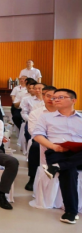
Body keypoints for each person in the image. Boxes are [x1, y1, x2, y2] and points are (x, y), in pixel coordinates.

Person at [32, 89, 82, 223]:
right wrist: (54, 147)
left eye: (61, 97)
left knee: (69, 166)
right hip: (58, 151)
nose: (56, 100)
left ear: (73, 100)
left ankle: (57, 167)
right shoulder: (46, 117)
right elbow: (37, 135)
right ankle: (71, 212)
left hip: (79, 152)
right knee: (69, 171)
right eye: (55, 98)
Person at [25, 86, 56, 191]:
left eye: (54, 96)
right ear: (43, 97)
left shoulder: (63, 112)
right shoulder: (36, 113)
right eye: (48, 96)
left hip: (59, 140)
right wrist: (48, 142)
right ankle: (32, 177)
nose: (51, 99)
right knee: (35, 147)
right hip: (40, 139)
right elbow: (33, 131)